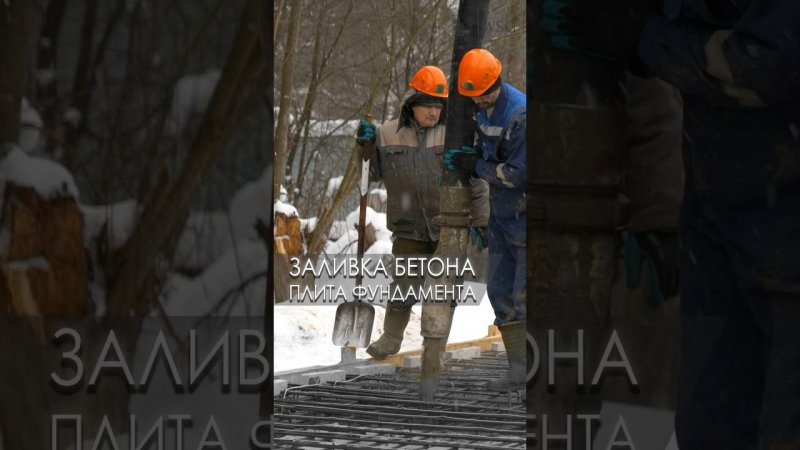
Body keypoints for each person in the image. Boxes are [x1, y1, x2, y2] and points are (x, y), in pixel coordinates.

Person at [543, 0, 800, 447]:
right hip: (715, 222)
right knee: (711, 423)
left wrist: (646, 38)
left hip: (777, 230)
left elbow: (772, 60)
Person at [356, 65, 489, 359]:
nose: (433, 111)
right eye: (427, 105)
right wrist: (365, 146)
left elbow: (475, 179)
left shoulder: (455, 134)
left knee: (444, 292)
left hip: (449, 226)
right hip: (408, 226)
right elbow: (372, 174)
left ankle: (435, 347)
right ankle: (391, 338)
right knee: (403, 287)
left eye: (438, 106)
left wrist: (481, 221)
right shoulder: (387, 133)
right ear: (412, 105)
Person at [444, 49, 527, 391]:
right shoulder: (478, 107)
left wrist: (475, 167)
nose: (476, 101)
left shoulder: (520, 115)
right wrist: (470, 155)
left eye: (480, 95)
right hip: (502, 217)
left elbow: (518, 174)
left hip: (527, 217)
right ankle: (519, 369)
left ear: (494, 83)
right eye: (471, 96)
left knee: (524, 298)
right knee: (498, 291)